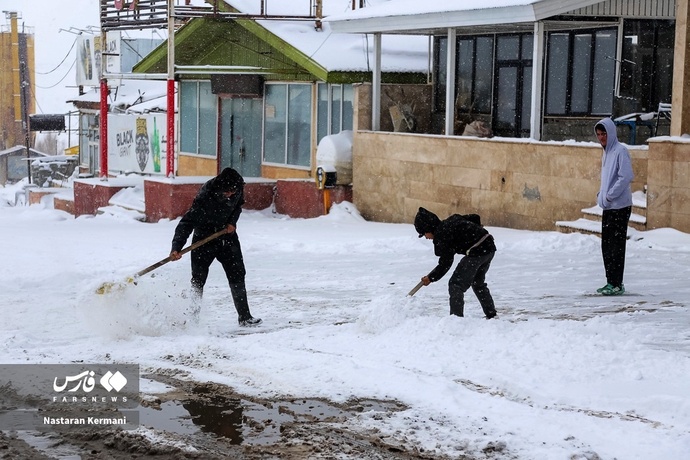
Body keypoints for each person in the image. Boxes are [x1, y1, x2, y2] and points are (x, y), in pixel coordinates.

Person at [170, 167, 261, 327]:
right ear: (220, 188)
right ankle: (193, 320)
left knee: (237, 273)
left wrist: (232, 222)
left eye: (234, 191)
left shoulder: (237, 187)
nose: (231, 195)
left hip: (227, 237)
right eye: (228, 192)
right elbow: (186, 223)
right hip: (204, 239)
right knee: (198, 278)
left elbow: (237, 206)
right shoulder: (205, 197)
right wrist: (176, 247)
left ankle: (245, 317)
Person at [414, 207, 497, 319]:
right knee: (478, 283)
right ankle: (491, 314)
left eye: (424, 234)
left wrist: (431, 278)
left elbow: (446, 263)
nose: (426, 237)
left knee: (455, 285)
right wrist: (475, 231)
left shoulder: (443, 235)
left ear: (428, 228)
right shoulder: (450, 222)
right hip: (489, 247)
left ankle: (456, 320)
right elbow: (474, 217)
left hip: (477, 252)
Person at [594, 118, 634, 296]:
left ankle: (617, 283)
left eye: (604, 134)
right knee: (607, 245)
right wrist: (601, 195)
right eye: (599, 134)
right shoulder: (606, 153)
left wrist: (609, 195)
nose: (601, 137)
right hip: (609, 206)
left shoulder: (620, 151)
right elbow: (608, 178)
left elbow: (625, 176)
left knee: (616, 246)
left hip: (620, 206)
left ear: (611, 133)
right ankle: (611, 281)